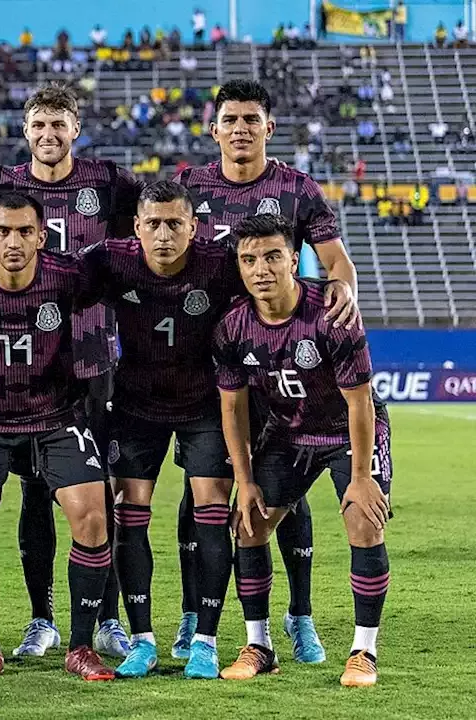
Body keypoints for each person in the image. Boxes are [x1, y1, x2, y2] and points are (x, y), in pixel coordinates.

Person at [0, 83, 143, 660]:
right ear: (25, 131)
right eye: (39, 125)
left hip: (95, 358)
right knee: (34, 493)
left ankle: (106, 619)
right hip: (26, 367)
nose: (49, 135)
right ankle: (41, 618)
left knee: (95, 490)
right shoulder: (1, 184)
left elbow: (163, 208)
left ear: (75, 128)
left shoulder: (107, 181)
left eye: (59, 124)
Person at [174, 78, 359, 663]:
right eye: (230, 119)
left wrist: (344, 295)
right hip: (211, 356)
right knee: (206, 492)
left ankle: (299, 618)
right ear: (215, 129)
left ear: (268, 128)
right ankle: (193, 618)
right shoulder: (191, 187)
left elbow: (336, 263)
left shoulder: (297, 189)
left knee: (286, 490)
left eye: (251, 119)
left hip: (279, 361)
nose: (240, 129)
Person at [0, 192, 114, 681]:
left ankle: (80, 646)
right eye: (3, 231)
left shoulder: (68, 275)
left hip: (57, 415)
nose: (14, 241)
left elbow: (127, 282)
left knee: (93, 519)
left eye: (25, 232)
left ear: (41, 236)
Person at [213, 213, 392, 688]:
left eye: (272, 256)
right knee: (248, 523)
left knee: (361, 518)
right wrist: (246, 481)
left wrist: (359, 477)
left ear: (294, 260)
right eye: (248, 259)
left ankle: (363, 651)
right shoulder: (232, 327)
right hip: (289, 435)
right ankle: (259, 645)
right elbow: (232, 411)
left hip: (346, 432)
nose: (260, 269)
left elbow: (360, 404)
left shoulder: (332, 313)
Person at [76, 180, 245, 679]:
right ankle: (143, 640)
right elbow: (55, 287)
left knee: (213, 516)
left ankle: (207, 641)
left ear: (194, 227)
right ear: (137, 227)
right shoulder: (110, 260)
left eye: (175, 224)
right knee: (131, 516)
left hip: (203, 407)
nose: (164, 234)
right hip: (136, 407)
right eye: (154, 224)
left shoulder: (219, 263)